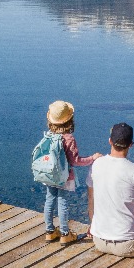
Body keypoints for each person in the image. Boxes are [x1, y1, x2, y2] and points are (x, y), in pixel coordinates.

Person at [86, 122, 134, 257]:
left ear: (110, 141)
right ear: (131, 144)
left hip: (99, 241)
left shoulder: (96, 164)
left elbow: (91, 199)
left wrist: (93, 225)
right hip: (127, 245)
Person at [43, 100, 102, 245]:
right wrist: (92, 158)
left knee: (49, 200)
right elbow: (75, 161)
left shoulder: (48, 135)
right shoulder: (69, 139)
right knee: (62, 202)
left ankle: (49, 232)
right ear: (70, 120)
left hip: (49, 174)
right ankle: (64, 233)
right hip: (63, 176)